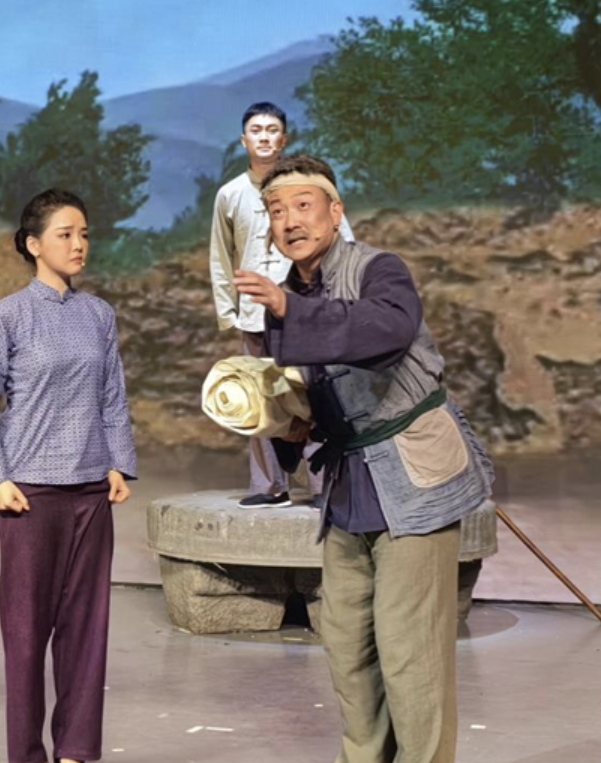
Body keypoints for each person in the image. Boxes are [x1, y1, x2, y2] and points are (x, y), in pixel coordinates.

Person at [234, 155, 494, 763]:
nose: (290, 221)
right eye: (276, 210)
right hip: (349, 488)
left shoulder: (379, 269)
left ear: (335, 211)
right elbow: (304, 393)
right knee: (348, 645)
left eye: (303, 205)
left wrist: (290, 312)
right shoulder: (286, 297)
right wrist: (276, 418)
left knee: (411, 651)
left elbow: (385, 331)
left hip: (412, 480)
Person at [0, 189, 137, 763]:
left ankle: (75, 752)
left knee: (86, 630)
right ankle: (26, 754)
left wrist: (119, 463)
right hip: (30, 493)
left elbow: (112, 397)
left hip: (91, 490)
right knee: (25, 635)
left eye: (84, 234)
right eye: (66, 234)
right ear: (34, 244)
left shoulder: (99, 315)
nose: (79, 244)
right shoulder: (5, 319)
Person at [208, 102, 353, 509]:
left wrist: (340, 299)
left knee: (314, 391)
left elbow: (343, 238)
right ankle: (268, 485)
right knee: (257, 394)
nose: (265, 137)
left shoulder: (310, 185)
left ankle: (324, 484)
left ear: (284, 138)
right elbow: (221, 255)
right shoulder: (230, 194)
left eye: (272, 130)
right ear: (244, 140)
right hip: (255, 314)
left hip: (305, 309)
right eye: (256, 130)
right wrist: (229, 312)